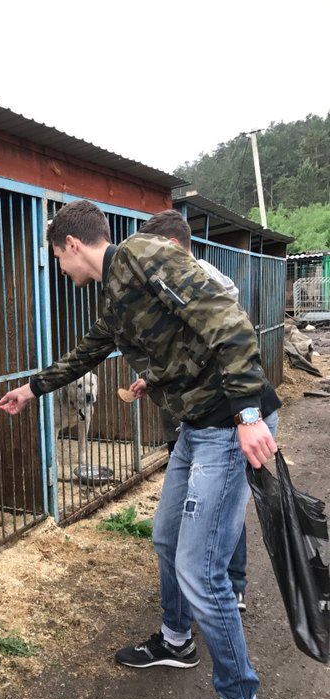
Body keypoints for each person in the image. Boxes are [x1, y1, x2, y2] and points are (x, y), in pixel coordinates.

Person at [0, 201, 281, 699]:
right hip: (198, 428)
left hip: (228, 424)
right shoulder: (115, 296)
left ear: (72, 245)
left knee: (200, 570)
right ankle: (176, 641)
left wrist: (248, 415)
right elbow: (88, 353)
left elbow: (227, 320)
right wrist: (31, 390)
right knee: (167, 538)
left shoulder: (143, 255)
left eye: (57, 257)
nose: (60, 269)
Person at [139, 212, 247, 612]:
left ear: (169, 245)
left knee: (219, 514)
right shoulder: (175, 284)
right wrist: (151, 378)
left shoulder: (197, 283)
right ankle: (199, 597)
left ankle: (226, 586)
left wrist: (248, 417)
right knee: (200, 518)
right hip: (187, 419)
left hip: (217, 420)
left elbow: (227, 349)